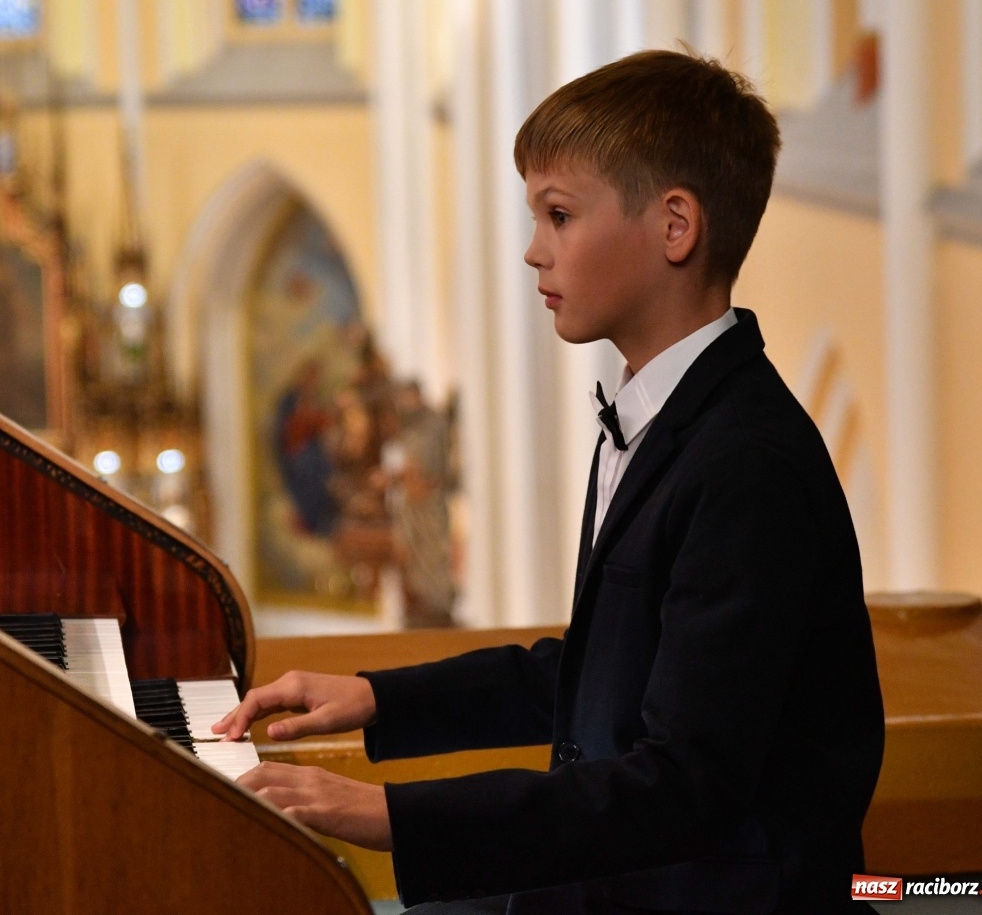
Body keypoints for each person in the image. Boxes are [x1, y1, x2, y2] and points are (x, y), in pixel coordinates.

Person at [213, 49, 885, 914]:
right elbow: (600, 670)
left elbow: (684, 783)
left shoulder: (747, 463)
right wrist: (380, 697)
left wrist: (388, 813)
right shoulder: (664, 415)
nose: (535, 252)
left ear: (676, 227)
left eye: (559, 215)